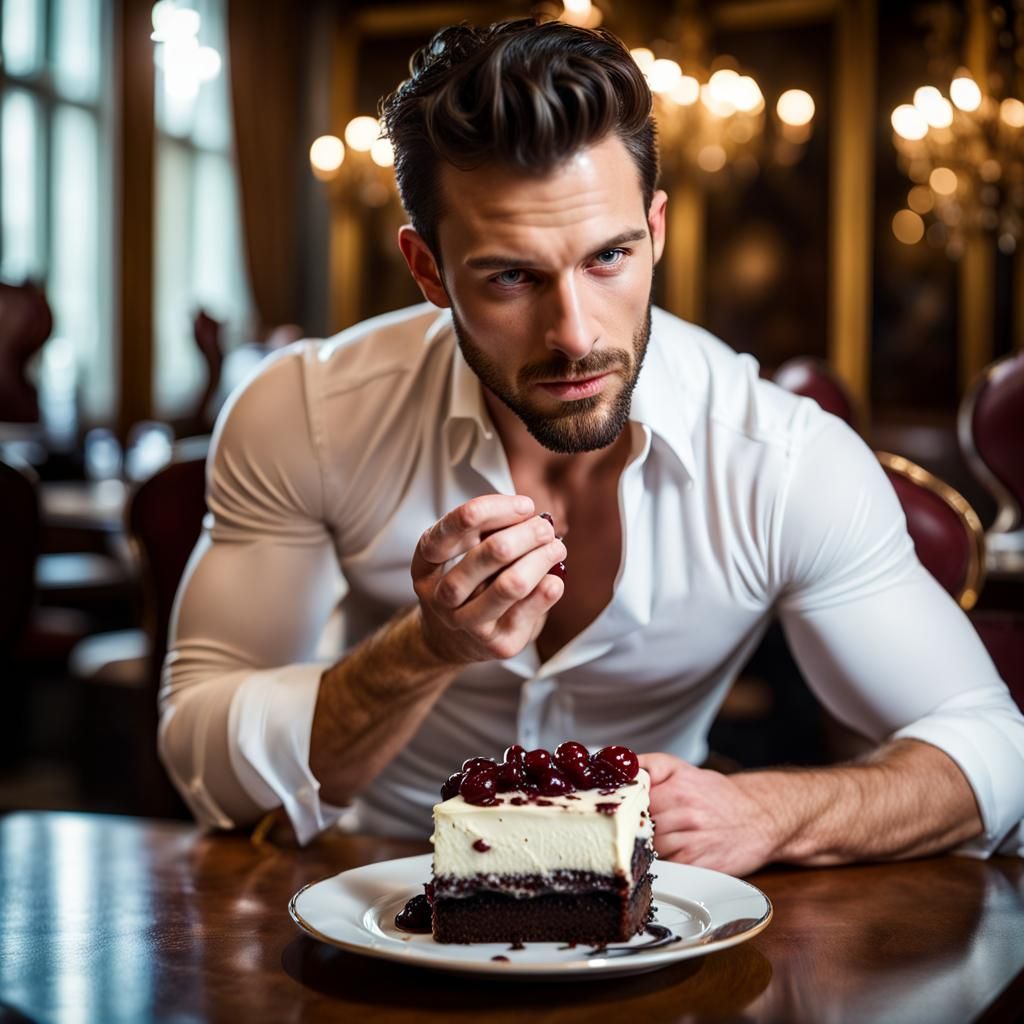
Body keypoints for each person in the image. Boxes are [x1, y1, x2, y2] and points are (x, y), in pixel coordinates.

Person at [159, 18, 1024, 873]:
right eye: (511, 276)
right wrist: (425, 649)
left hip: (658, 914)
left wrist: (770, 809)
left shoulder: (780, 457)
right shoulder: (308, 411)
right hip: (374, 883)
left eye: (608, 257)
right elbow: (201, 755)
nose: (574, 335)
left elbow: (999, 753)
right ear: (427, 270)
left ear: (656, 231)